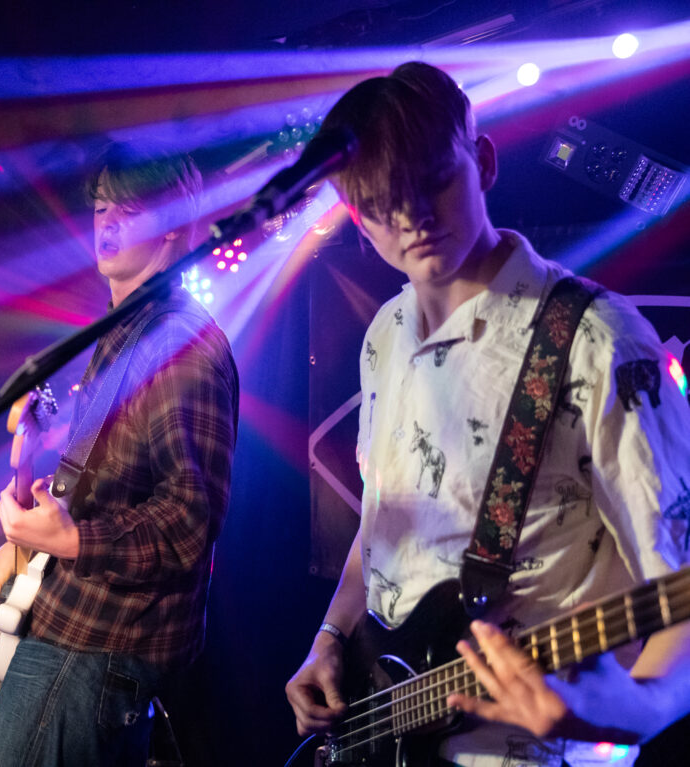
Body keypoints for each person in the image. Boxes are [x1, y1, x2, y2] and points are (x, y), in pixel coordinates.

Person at [284, 61, 690, 766]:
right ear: (353, 216)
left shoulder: (597, 341)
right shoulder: (383, 334)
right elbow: (377, 526)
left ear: (485, 161)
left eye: (432, 181)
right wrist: (328, 638)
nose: (411, 217)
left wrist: (632, 710)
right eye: (381, 203)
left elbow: (682, 590)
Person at [0, 141, 239, 766]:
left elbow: (189, 520)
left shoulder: (180, 347)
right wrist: (21, 545)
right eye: (101, 207)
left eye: (129, 209)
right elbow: (108, 486)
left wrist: (70, 543)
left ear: (172, 228)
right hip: (80, 633)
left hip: (96, 645)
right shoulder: (124, 331)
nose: (107, 223)